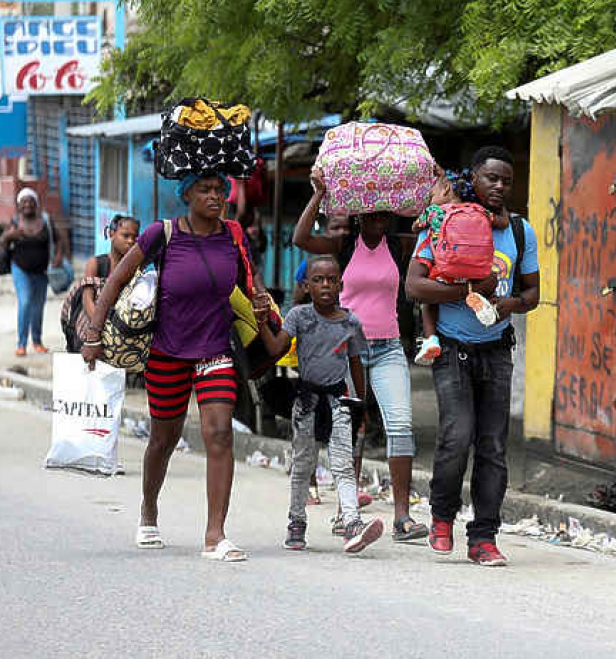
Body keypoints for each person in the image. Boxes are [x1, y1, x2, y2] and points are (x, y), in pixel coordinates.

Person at [82, 173, 270, 562]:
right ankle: (148, 510)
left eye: (220, 190)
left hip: (215, 349)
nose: (215, 197)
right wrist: (93, 334)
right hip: (167, 352)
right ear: (186, 196)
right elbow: (116, 280)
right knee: (163, 440)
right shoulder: (161, 234)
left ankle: (215, 535)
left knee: (219, 433)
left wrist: (261, 300)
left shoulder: (234, 235)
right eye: (205, 190)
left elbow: (251, 283)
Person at [405, 145, 540, 566]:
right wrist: (469, 292)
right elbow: (414, 286)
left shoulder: (520, 232)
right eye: (490, 179)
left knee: (493, 446)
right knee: (456, 436)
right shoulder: (445, 221)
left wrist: (509, 305)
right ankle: (442, 515)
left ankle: (483, 536)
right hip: (452, 349)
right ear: (474, 179)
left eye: (506, 181)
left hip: (497, 350)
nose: (498, 187)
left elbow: (533, 293)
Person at [293, 176, 428, 543]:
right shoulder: (343, 245)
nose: (379, 217)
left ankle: (402, 517)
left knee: (400, 425)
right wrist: (319, 194)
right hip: (346, 350)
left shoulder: (400, 246)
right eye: (372, 211)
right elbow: (301, 238)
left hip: (388, 349)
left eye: (385, 211)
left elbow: (436, 237)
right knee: (351, 432)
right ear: (359, 212)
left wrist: (432, 198)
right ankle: (345, 514)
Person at [257, 255, 384, 553]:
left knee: (342, 465)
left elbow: (356, 365)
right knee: (303, 464)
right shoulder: (299, 316)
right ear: (305, 286)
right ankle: (296, 521)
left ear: (341, 284)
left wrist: (360, 406)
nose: (325, 285)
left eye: (331, 279)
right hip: (306, 402)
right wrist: (262, 323)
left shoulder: (351, 322)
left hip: (339, 402)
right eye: (317, 280)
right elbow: (276, 348)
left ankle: (351, 522)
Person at [410, 168, 509, 365]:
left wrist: (421, 224)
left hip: (446, 272)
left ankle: (430, 339)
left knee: (428, 301)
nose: (430, 199)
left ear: (446, 189)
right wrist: (503, 207)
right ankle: (486, 302)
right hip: (478, 273)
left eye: (432, 195)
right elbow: (504, 222)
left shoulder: (434, 212)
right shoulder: (480, 211)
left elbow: (414, 226)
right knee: (491, 281)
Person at [0, 187, 66, 356]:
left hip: (42, 272)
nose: (28, 204)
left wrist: (58, 257)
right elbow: (2, 243)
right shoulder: (15, 222)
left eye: (31, 201)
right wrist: (10, 236)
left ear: (36, 204)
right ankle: (21, 344)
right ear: (19, 205)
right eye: (24, 202)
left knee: (38, 307)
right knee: (26, 302)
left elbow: (59, 240)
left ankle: (37, 341)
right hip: (20, 269)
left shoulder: (45, 220)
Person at [62, 214, 140, 353]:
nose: (130, 241)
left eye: (135, 238)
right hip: (94, 325)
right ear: (111, 234)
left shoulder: (135, 269)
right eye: (125, 236)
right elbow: (87, 300)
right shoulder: (97, 264)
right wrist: (101, 330)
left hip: (120, 329)